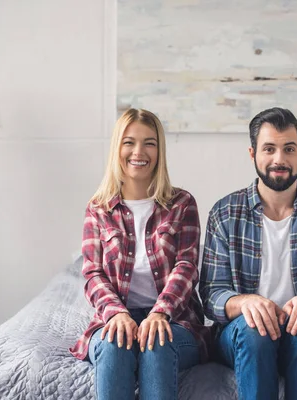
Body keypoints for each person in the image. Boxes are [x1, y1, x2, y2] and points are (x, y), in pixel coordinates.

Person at [199, 107, 297, 400]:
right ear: (252, 153)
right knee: (252, 327)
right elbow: (210, 295)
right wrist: (246, 303)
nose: (279, 159)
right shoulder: (224, 213)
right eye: (269, 148)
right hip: (243, 337)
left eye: (289, 149)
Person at [70, 108, 208, 400]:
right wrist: (117, 314)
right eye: (129, 142)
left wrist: (160, 313)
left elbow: (187, 267)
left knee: (156, 343)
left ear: (159, 150)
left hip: (175, 321)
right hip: (114, 316)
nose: (139, 152)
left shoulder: (182, 203)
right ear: (117, 148)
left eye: (149, 142)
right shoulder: (98, 208)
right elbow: (92, 273)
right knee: (114, 345)